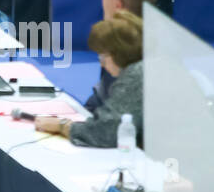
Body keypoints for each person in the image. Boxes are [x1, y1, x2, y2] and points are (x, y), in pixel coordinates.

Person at [36, 11, 144, 148]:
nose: (101, 63)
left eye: (103, 56)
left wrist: (62, 126)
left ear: (120, 53)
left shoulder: (135, 77)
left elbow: (105, 131)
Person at [84, 0, 158, 112]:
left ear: (118, 6)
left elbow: (110, 124)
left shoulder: (127, 54)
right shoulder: (131, 38)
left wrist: (65, 126)